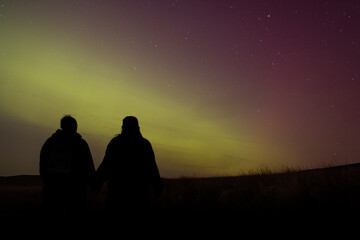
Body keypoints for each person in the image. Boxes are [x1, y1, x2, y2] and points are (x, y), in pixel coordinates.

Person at [95, 116, 162, 217]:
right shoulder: (144, 144)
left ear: (123, 127)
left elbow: (106, 165)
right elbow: (152, 168)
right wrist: (157, 186)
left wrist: (97, 181)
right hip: (138, 194)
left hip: (117, 194)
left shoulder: (116, 143)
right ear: (138, 128)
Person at [39, 115, 95, 217]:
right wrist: (93, 182)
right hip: (75, 188)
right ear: (75, 126)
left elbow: (42, 165)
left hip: (53, 187)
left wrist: (47, 180)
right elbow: (89, 165)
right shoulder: (81, 144)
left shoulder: (50, 143)